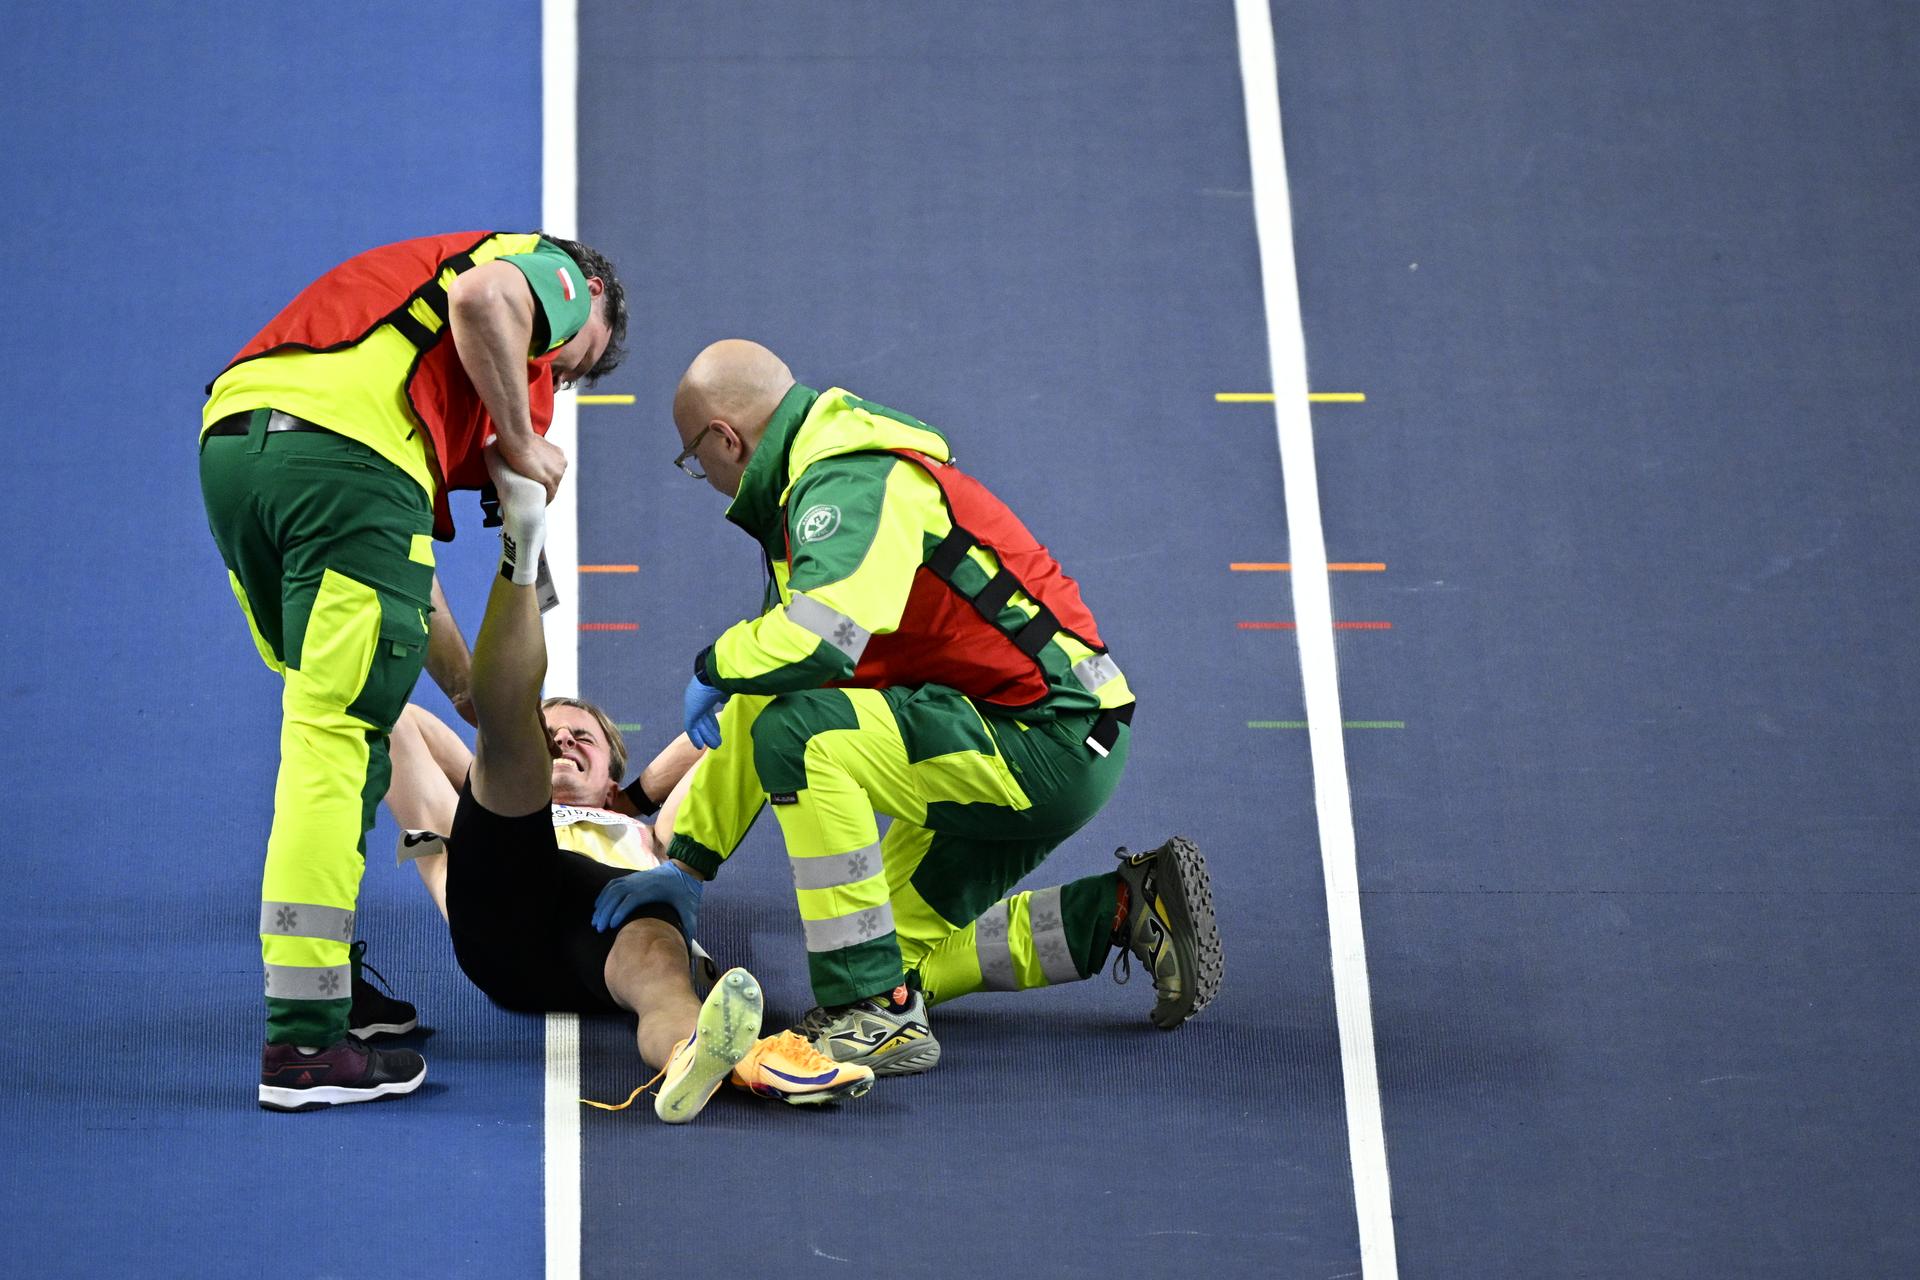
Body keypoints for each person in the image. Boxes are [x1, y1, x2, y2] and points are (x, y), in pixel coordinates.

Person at [591, 339, 1225, 1077]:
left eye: (696, 461)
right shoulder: (816, 483)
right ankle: (1121, 911)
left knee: (804, 738)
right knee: (887, 955)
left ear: (725, 438)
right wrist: (687, 864)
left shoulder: (849, 484)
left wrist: (714, 664)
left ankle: (869, 1014)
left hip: (1041, 737)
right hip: (1016, 726)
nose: (707, 479)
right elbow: (770, 680)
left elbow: (818, 643)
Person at [200, 230, 626, 1110]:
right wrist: (523, 439)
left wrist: (470, 688)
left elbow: (395, 564)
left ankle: (329, 987)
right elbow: (484, 303)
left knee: (331, 726)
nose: (557, 378)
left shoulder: (399, 373)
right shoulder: (547, 274)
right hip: (342, 465)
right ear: (588, 293)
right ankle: (305, 1041)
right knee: (334, 747)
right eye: (573, 362)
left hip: (240, 450)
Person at [379, 452, 874, 1122]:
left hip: (612, 936)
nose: (562, 741)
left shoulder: (653, 834)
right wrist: (500, 745)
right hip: (500, 926)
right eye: (551, 733)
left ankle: (718, 1059)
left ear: (612, 778)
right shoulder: (463, 817)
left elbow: (739, 727)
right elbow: (404, 726)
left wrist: (635, 798)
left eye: (582, 739)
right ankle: (519, 557)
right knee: (497, 731)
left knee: (663, 967)